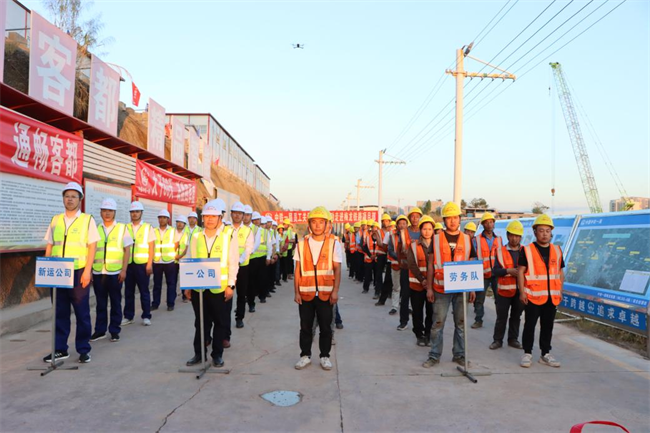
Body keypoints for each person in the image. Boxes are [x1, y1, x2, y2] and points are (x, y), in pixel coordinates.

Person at [42, 182, 99, 364]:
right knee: (59, 312)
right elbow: (50, 245)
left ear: (80, 199)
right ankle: (60, 349)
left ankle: (83, 349)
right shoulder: (56, 220)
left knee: (82, 312)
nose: (70, 199)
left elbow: (92, 246)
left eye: (74, 196)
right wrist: (46, 268)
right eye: (67, 196)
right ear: (63, 199)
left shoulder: (87, 220)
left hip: (78, 271)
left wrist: (87, 271)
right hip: (57, 271)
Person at [186, 200, 239, 368]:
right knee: (200, 322)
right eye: (206, 216)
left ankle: (217, 355)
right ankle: (199, 353)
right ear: (202, 218)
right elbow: (190, 259)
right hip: (199, 287)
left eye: (213, 216)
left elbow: (233, 262)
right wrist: (187, 285)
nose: (209, 219)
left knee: (220, 322)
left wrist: (231, 285)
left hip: (219, 288)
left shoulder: (228, 236)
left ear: (220, 218)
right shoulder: (196, 236)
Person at [423, 202, 477, 368]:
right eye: (449, 218)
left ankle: (459, 355)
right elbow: (430, 264)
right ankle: (434, 355)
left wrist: (472, 288)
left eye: (455, 217)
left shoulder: (467, 239)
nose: (452, 221)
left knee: (461, 323)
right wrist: (429, 288)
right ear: (444, 220)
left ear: (459, 219)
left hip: (461, 290)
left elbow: (471, 263)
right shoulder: (436, 239)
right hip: (441, 289)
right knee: (438, 323)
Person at [294, 207, 342, 371]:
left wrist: (335, 291)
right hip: (305, 293)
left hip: (325, 293)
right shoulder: (301, 244)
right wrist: (296, 292)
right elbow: (297, 270)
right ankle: (305, 355)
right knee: (305, 327)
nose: (317, 225)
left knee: (326, 327)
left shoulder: (334, 244)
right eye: (314, 222)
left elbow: (337, 269)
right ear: (309, 224)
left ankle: (325, 356)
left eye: (321, 222)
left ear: (327, 224)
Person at [518, 214, 565, 369]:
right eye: (541, 230)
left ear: (551, 232)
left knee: (547, 326)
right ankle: (527, 353)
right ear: (535, 232)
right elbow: (520, 271)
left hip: (551, 297)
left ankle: (545, 354)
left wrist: (560, 290)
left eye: (547, 231)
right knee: (530, 325)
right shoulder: (527, 250)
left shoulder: (557, 250)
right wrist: (522, 292)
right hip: (533, 296)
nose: (544, 234)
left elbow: (560, 272)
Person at [91, 198, 132, 343]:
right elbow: (91, 250)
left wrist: (124, 270)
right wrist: (90, 270)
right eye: (104, 210)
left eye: (110, 211)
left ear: (114, 212)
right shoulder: (96, 229)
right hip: (98, 272)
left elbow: (127, 250)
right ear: (100, 212)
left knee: (115, 302)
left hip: (115, 273)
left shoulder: (122, 228)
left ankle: (114, 330)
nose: (107, 213)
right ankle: (100, 330)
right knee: (100, 303)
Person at [490, 220, 525, 350]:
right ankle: (497, 340)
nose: (514, 238)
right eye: (512, 235)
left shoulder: (525, 251)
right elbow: (495, 271)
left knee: (516, 317)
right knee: (501, 317)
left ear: (520, 237)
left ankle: (513, 339)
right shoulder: (500, 251)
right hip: (503, 292)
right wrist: (508, 271)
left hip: (520, 291)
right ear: (507, 235)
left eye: (517, 236)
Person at [123, 201, 155, 326]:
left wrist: (149, 264)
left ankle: (146, 316)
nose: (134, 214)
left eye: (137, 211)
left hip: (142, 264)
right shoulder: (125, 227)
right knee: (128, 292)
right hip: (129, 264)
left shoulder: (148, 227)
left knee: (144, 291)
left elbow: (151, 247)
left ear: (141, 213)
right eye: (132, 212)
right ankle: (128, 316)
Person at [407, 216, 435, 346]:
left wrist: (429, 282)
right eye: (424, 229)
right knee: (417, 312)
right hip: (417, 285)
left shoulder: (437, 246)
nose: (427, 232)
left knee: (431, 312)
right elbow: (412, 264)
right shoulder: (413, 246)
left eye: (430, 229)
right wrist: (422, 280)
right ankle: (419, 334)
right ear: (420, 230)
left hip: (433, 286)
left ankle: (428, 334)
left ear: (433, 230)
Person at [472, 212, 502, 329]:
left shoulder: (498, 239)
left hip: (496, 274)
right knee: (479, 299)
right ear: (483, 224)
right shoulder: (476, 240)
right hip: (482, 274)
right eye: (486, 222)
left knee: (499, 299)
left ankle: (500, 320)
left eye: (491, 222)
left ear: (494, 223)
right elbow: (474, 257)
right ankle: (478, 319)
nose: (489, 225)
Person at [230, 202, 254, 330]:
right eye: (235, 213)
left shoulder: (247, 231)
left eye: (240, 213)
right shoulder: (225, 229)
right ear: (231, 214)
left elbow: (248, 248)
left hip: (242, 266)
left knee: (241, 294)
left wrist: (238, 260)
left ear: (243, 215)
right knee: (227, 292)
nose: (237, 216)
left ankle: (239, 318)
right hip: (228, 267)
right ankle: (224, 316)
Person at [397, 207, 422, 331]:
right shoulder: (403, 233)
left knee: (419, 298)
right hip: (406, 269)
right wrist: (401, 263)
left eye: (417, 216)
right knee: (405, 295)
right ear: (409, 219)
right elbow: (399, 250)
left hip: (421, 270)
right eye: (412, 216)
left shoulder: (424, 231)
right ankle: (403, 321)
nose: (415, 219)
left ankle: (419, 325)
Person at [152, 209, 178, 311]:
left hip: (169, 261)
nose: (162, 219)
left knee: (171, 283)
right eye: (160, 217)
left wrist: (171, 254)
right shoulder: (153, 231)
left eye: (164, 218)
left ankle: (170, 304)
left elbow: (176, 244)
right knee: (156, 284)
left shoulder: (173, 231)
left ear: (168, 219)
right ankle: (155, 303)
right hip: (157, 261)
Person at [381, 215, 407, 315]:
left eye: (404, 223)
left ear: (407, 225)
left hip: (407, 266)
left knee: (407, 288)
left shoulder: (410, 236)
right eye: (400, 223)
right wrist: (399, 258)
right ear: (397, 225)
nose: (402, 225)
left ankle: (408, 307)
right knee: (396, 287)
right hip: (396, 265)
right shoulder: (392, 235)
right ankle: (394, 307)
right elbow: (390, 250)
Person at [249, 212, 268, 305]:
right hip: (251, 258)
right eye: (255, 219)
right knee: (252, 280)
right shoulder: (249, 229)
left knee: (262, 278)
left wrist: (269, 257)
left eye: (258, 219)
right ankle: (251, 296)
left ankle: (262, 296)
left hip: (261, 258)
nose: (257, 221)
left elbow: (269, 244)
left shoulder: (264, 231)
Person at [174, 214, 190, 302]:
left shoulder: (186, 234)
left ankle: (184, 296)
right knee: (173, 280)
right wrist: (174, 256)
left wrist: (180, 256)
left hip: (183, 259)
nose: (180, 224)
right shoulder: (172, 233)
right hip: (173, 260)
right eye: (178, 222)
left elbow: (186, 248)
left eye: (182, 223)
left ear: (184, 224)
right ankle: (172, 297)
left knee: (184, 279)